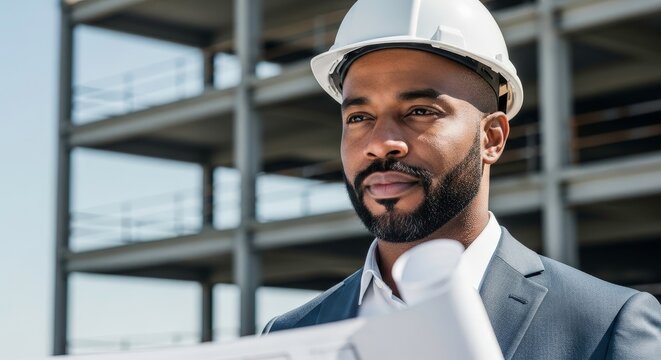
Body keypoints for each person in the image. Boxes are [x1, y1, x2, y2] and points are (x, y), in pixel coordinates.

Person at [262, 0, 661, 358]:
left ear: (492, 138)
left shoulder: (607, 326)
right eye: (359, 117)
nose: (381, 144)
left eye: (419, 111)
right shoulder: (288, 336)